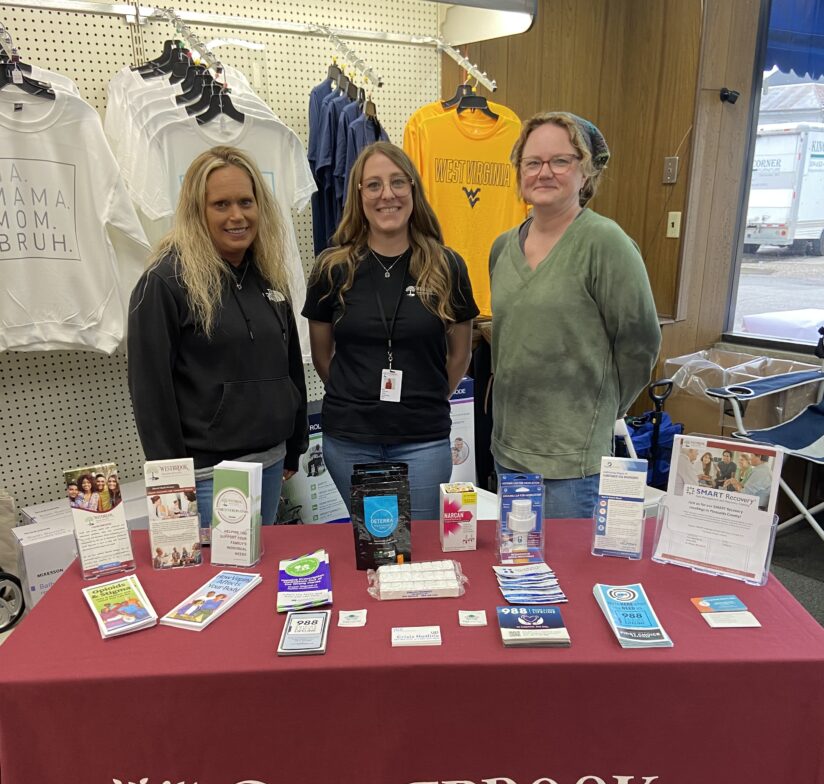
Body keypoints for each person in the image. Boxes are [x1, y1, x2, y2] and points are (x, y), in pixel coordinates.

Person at [489, 112, 661, 518]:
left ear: (585, 171)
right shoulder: (502, 247)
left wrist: (607, 408)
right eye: (532, 162)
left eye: (560, 161)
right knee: (519, 572)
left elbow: (640, 343)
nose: (544, 172)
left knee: (568, 576)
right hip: (510, 450)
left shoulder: (605, 242)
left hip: (572, 462)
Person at [127, 146, 308, 526]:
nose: (237, 216)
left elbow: (290, 365)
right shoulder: (165, 282)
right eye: (221, 204)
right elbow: (150, 391)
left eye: (246, 201)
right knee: (220, 583)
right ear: (197, 211)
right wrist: (172, 484)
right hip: (211, 476)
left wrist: (294, 446)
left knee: (258, 576)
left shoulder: (269, 276)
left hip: (272, 463)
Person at [303, 141, 478, 520]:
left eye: (398, 182)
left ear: (413, 190)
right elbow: (322, 356)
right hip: (350, 439)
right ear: (359, 194)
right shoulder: (331, 268)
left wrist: (427, 395)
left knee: (420, 550)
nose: (388, 195)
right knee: (371, 546)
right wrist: (358, 394)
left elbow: (460, 355)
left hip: (423, 439)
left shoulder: (447, 266)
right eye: (374, 185)